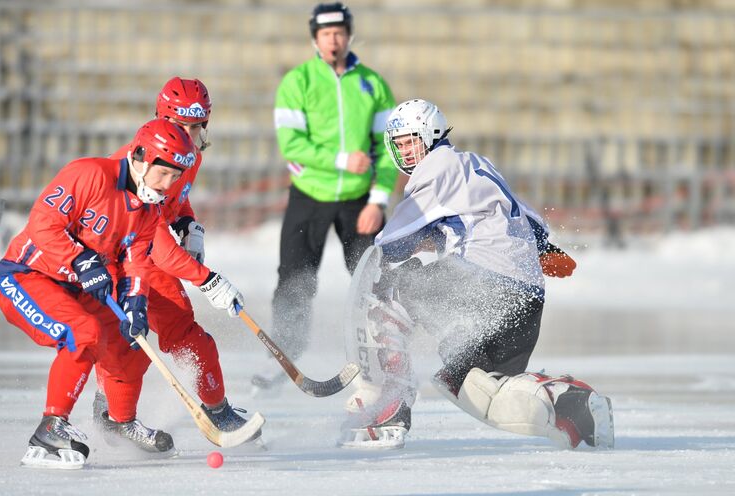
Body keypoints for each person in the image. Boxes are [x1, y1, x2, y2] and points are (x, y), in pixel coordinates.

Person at [339, 99, 613, 450]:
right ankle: (574, 407)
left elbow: (390, 245)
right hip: (526, 297)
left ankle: (385, 404)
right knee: (473, 384)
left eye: (412, 142)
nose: (407, 153)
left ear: (432, 135)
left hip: (483, 282)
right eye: (401, 145)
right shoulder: (477, 164)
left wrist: (389, 258)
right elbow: (526, 219)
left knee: (388, 291)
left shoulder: (435, 167)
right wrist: (543, 251)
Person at [0, 119, 205, 468]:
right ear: (140, 158)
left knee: (133, 340)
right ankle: (50, 429)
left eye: (175, 178)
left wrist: (135, 302)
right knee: (83, 333)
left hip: (78, 287)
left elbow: (136, 262)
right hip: (27, 277)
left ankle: (120, 422)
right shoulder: (89, 174)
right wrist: (82, 261)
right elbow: (43, 224)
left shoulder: (148, 212)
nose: (168, 186)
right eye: (163, 174)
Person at [92, 77, 261, 448]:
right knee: (136, 342)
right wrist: (208, 280)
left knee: (183, 340)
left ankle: (212, 408)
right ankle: (113, 410)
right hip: (119, 257)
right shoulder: (144, 160)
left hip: (142, 252)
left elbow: (175, 201)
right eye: (180, 126)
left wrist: (189, 224)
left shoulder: (189, 156)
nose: (189, 135)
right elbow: (156, 244)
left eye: (196, 127)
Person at [261, 2, 398, 389]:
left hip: (359, 201)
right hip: (310, 195)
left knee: (374, 280)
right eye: (325, 34)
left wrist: (378, 200)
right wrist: (341, 159)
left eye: (339, 32)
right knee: (294, 278)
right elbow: (292, 145)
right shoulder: (297, 82)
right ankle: (285, 355)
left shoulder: (372, 84)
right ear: (314, 38)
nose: (333, 40)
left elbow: (388, 146)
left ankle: (384, 351)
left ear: (349, 34)